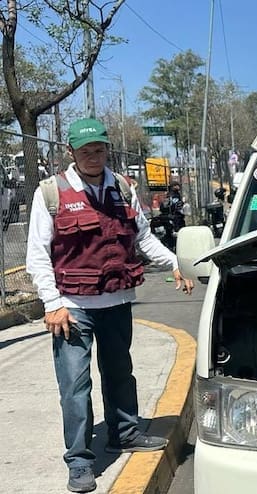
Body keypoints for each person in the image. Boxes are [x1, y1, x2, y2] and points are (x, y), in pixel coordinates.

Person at [26, 118, 195, 493]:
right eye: (85, 151)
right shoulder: (51, 193)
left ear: (107, 149)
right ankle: (79, 460)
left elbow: (143, 238)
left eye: (99, 149)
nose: (93, 156)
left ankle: (124, 433)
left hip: (117, 301)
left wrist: (176, 264)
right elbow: (37, 254)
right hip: (71, 307)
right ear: (71, 152)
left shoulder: (122, 187)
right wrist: (52, 303)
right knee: (75, 385)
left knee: (120, 372)